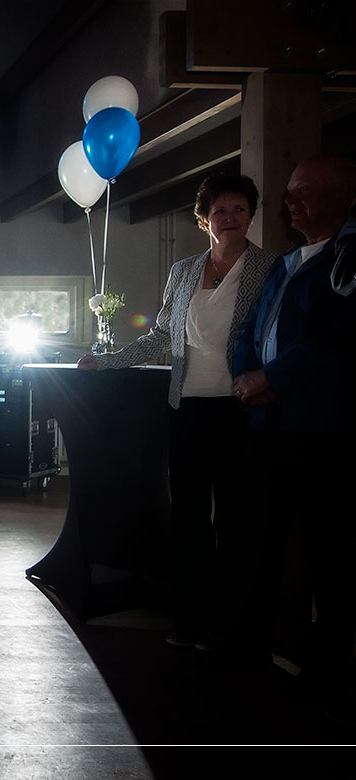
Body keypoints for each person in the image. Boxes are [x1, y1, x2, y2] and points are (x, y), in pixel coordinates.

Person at [78, 172, 278, 650]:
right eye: (220, 211)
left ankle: (228, 625)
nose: (231, 218)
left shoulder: (271, 267)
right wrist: (106, 361)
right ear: (204, 219)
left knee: (235, 522)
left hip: (240, 409)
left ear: (251, 216)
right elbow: (162, 337)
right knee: (189, 520)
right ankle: (188, 618)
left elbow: (276, 334)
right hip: (186, 408)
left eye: (240, 210)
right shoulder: (184, 270)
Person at [232, 156, 356, 707]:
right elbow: (249, 328)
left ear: (343, 195)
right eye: (289, 194)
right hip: (268, 426)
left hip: (323, 431)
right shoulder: (284, 263)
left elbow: (339, 340)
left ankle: (329, 669)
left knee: (329, 550)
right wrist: (244, 376)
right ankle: (252, 646)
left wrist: (272, 377)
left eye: (305, 193)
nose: (291, 203)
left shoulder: (348, 256)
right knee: (260, 539)